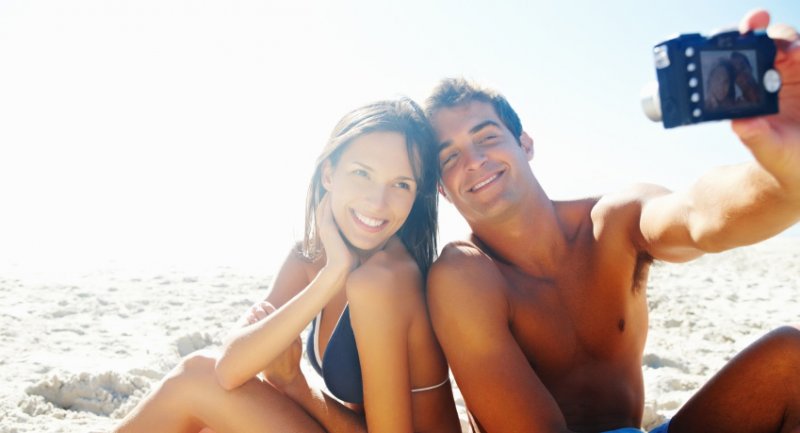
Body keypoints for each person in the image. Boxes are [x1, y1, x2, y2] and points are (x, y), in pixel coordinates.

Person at [424, 9, 800, 433]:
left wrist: (787, 172)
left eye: (487, 136)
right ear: (442, 188)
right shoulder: (464, 276)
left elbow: (702, 216)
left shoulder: (613, 224)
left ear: (525, 144)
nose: (474, 161)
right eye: (450, 157)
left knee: (791, 360)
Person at [114, 98, 461, 433]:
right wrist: (330, 275)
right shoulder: (312, 259)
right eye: (362, 173)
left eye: (401, 184)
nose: (378, 201)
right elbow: (230, 369)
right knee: (204, 414)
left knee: (193, 384)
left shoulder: (384, 281)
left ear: (417, 195)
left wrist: (295, 385)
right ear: (329, 173)